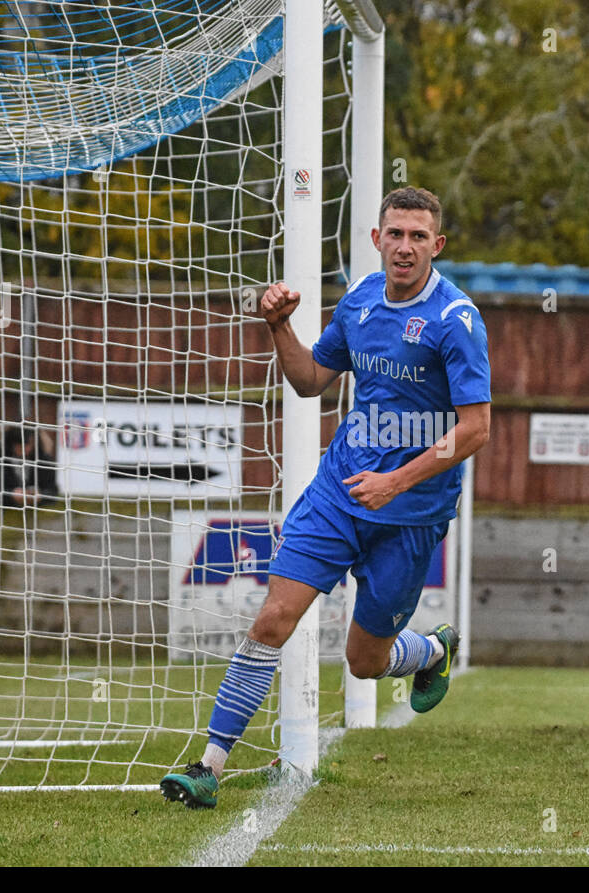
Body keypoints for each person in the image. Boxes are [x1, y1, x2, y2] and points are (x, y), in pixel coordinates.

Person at [161, 186, 491, 808]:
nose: (404, 247)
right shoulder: (361, 300)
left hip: (410, 515)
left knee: (365, 661)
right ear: (376, 239)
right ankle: (208, 767)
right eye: (395, 233)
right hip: (338, 493)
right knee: (272, 620)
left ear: (437, 246)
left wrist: (395, 482)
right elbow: (311, 380)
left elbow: (475, 429)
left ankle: (429, 650)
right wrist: (280, 327)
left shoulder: (456, 321)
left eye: (419, 236)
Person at [0, 423, 58, 508]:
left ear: (34, 443)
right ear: (11, 443)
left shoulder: (43, 461)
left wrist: (40, 496)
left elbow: (52, 491)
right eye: (19, 445)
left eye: (27, 445)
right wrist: (10, 496)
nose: (23, 449)